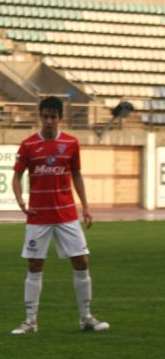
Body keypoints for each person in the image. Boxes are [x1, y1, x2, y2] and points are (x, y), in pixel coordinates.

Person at [10, 96, 109, 335]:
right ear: (40, 117)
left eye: (53, 117)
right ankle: (30, 321)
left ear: (60, 118)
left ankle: (86, 318)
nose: (49, 121)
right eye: (45, 116)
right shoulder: (28, 145)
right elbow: (16, 176)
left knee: (82, 261)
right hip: (38, 216)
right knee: (35, 265)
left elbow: (76, 175)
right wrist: (21, 200)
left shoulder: (71, 143)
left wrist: (85, 206)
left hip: (66, 215)